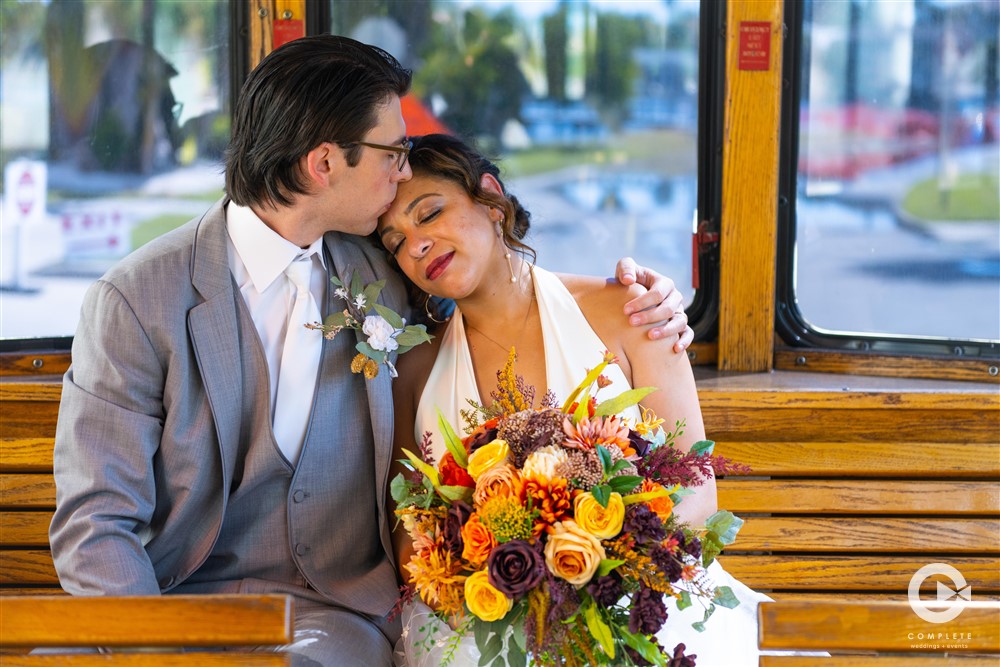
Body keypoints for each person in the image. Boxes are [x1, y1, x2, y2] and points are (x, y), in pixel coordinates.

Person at [49, 36, 692, 667]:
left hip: (335, 615)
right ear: (324, 164)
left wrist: (643, 301)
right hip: (179, 609)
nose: (405, 169)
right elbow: (95, 525)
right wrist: (145, 651)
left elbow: (497, 291)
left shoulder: (385, 274)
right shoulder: (135, 300)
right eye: (394, 150)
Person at [379, 134, 770, 667]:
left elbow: (697, 498)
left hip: (635, 599)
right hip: (484, 625)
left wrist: (595, 578)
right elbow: (411, 534)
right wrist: (488, 595)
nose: (416, 244)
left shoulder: (631, 313)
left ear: (491, 200)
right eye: (395, 241)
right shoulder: (414, 373)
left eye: (429, 214)